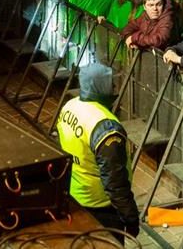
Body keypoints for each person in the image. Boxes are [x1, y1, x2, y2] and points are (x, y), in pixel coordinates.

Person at [56, 63, 139, 243]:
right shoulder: (105, 127)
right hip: (101, 206)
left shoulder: (70, 106)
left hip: (74, 196)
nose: (114, 88)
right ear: (100, 86)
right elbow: (115, 181)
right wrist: (130, 218)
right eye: (110, 84)